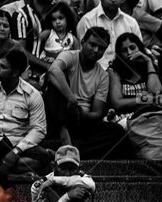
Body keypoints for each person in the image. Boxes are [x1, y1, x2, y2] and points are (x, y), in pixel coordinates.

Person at [45, 27, 134, 157]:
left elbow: (97, 113)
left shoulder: (103, 75)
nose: (96, 50)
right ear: (82, 42)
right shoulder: (69, 56)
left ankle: (73, 152)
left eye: (101, 48)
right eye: (92, 45)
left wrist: (80, 112)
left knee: (117, 132)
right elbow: (53, 71)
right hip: (59, 115)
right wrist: (71, 99)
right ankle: (65, 139)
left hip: (80, 119)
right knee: (55, 83)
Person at [107, 32, 160, 124]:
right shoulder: (113, 71)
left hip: (149, 112)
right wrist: (144, 99)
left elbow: (155, 92)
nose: (129, 52)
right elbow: (117, 103)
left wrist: (148, 62)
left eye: (132, 48)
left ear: (139, 47)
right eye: (124, 50)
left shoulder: (148, 66)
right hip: (126, 117)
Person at [77, 0, 142, 69]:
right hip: (96, 74)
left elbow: (139, 51)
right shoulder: (87, 20)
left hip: (126, 73)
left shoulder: (131, 22)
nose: (113, 0)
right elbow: (86, 56)